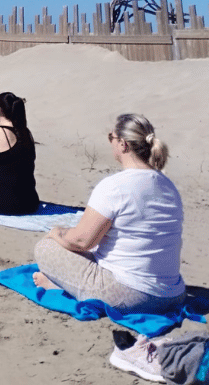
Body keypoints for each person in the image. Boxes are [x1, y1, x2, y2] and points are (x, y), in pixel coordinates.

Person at [32, 113, 185, 315]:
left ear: (123, 144)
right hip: (173, 295)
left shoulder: (116, 186)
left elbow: (81, 241)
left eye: (111, 137)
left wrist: (56, 233)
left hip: (132, 296)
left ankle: (62, 288)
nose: (110, 142)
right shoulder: (168, 186)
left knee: (45, 248)